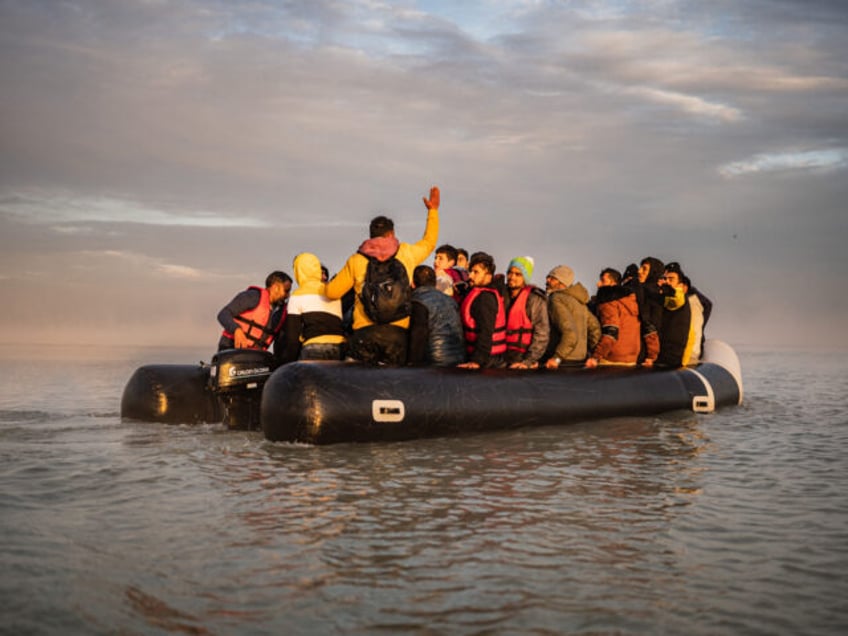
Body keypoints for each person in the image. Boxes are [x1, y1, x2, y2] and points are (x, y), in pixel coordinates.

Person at [323, 186, 440, 365]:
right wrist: (433, 211)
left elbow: (332, 292)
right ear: (391, 234)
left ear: (370, 235)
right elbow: (429, 242)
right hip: (398, 335)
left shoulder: (357, 260)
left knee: (359, 390)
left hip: (364, 335)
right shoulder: (406, 253)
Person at [279, 253, 346, 363]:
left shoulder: (297, 296)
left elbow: (292, 337)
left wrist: (287, 364)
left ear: (298, 271)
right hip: (339, 348)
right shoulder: (332, 291)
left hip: (314, 349)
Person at [217, 271, 292, 352]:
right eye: (286, 290)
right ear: (275, 287)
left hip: (255, 357)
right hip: (230, 349)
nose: (288, 295)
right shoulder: (252, 297)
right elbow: (223, 314)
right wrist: (237, 330)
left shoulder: (280, 313)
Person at [407, 265, 465, 367]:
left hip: (434, 360)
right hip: (458, 358)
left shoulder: (418, 301)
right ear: (434, 282)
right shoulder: (451, 301)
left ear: (413, 284)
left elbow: (418, 336)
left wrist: (412, 363)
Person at [543, 265, 600, 368]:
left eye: (552, 278)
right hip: (581, 360)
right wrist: (593, 355)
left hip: (562, 362)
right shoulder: (579, 301)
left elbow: (570, 333)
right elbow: (595, 328)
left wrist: (557, 358)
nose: (547, 280)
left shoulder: (556, 299)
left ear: (562, 282)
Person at [457, 252, 507, 369]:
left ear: (488, 275)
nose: (470, 276)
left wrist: (477, 361)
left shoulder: (485, 298)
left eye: (476, 272)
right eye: (470, 271)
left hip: (489, 360)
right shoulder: (477, 293)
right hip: (486, 356)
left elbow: (486, 331)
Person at [585, 268, 643, 368]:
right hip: (631, 356)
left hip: (612, 357)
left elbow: (611, 332)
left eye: (603, 280)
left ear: (613, 283)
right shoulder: (630, 301)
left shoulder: (609, 302)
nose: (598, 284)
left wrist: (596, 356)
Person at [504, 256, 549, 369]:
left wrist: (528, 361)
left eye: (518, 274)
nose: (512, 277)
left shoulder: (534, 300)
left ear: (525, 277)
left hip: (523, 359)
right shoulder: (501, 295)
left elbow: (542, 333)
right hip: (502, 359)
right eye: (510, 273)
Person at [629, 257, 665, 367]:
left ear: (653, 273)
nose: (639, 271)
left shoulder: (652, 294)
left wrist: (651, 355)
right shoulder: (642, 289)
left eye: (644, 269)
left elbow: (650, 323)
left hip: (644, 352)